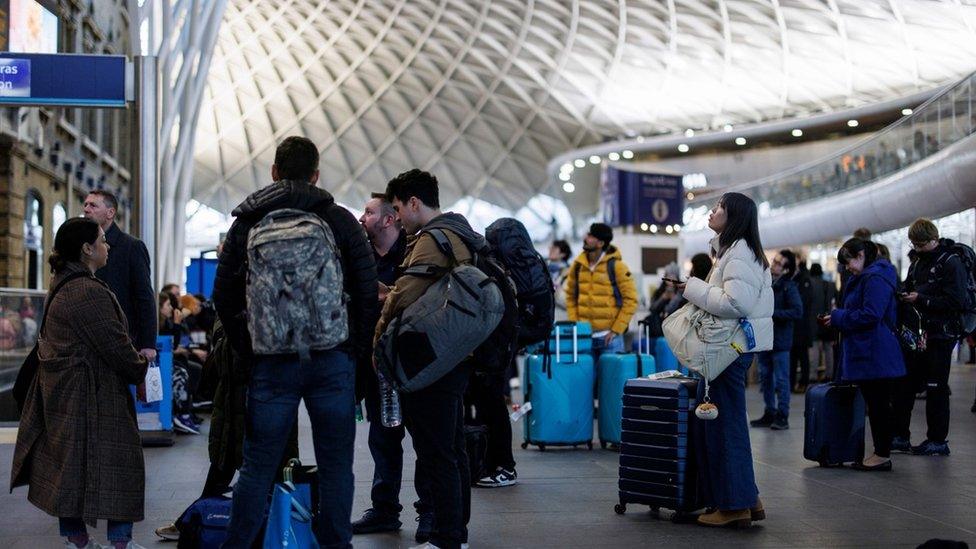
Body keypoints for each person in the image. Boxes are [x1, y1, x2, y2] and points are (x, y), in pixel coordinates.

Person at [213, 136, 378, 548]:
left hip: (272, 361)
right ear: (316, 175)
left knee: (257, 467)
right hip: (331, 358)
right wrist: (353, 353)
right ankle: (336, 544)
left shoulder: (247, 222)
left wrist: (251, 350)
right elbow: (365, 288)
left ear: (273, 172)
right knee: (337, 465)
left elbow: (224, 294)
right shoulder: (338, 220)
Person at [11, 217, 149, 549]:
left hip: (68, 397)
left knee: (68, 470)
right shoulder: (86, 292)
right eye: (102, 240)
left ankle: (79, 542)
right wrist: (142, 367)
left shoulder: (63, 283)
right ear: (87, 249)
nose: (107, 246)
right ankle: (120, 543)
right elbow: (117, 348)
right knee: (122, 465)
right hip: (93, 399)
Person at [375, 168, 480, 549]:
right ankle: (456, 532)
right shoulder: (462, 233)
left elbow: (405, 297)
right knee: (451, 449)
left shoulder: (432, 240)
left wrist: (378, 338)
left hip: (433, 357)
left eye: (399, 207)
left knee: (436, 453)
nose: (397, 216)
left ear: (415, 203)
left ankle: (447, 536)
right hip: (458, 352)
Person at [674, 192, 773, 528]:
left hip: (727, 352)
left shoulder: (739, 252)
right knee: (725, 423)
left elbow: (736, 303)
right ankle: (748, 498)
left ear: (734, 217)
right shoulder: (735, 250)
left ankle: (734, 508)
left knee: (724, 426)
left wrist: (693, 287)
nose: (712, 211)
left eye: (719, 208)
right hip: (732, 349)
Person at [351, 193, 434, 538]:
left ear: (388, 219)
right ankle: (385, 509)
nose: (361, 217)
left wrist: (393, 294)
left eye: (369, 212)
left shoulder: (416, 252)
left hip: (414, 363)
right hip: (375, 364)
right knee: (382, 439)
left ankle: (429, 512)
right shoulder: (358, 257)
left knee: (426, 439)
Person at [823, 238, 905, 471]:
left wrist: (839, 317)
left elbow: (871, 314)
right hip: (870, 349)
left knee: (879, 404)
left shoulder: (875, 278)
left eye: (848, 261)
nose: (846, 267)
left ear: (861, 255)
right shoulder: (868, 276)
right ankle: (880, 452)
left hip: (875, 351)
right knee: (876, 403)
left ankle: (882, 454)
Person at [892, 219, 968, 456]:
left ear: (934, 239)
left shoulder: (951, 262)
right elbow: (909, 284)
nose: (917, 247)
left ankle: (937, 440)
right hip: (918, 334)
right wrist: (904, 293)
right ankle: (900, 436)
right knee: (905, 385)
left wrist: (921, 299)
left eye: (921, 244)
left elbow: (957, 301)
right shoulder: (916, 262)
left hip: (941, 335)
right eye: (914, 244)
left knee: (936, 387)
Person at [84, 190, 158, 365]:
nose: (87, 209)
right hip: (88, 340)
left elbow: (144, 296)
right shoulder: (83, 245)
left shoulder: (131, 247)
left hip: (122, 340)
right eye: (85, 204)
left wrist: (148, 343)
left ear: (110, 213)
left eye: (93, 205)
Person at [565, 222, 638, 363]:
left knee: (610, 382)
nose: (586, 238)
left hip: (610, 339)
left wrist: (616, 330)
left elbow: (631, 300)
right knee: (586, 382)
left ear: (600, 243)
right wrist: (577, 325)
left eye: (591, 236)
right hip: (584, 337)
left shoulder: (617, 266)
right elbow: (570, 295)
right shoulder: (578, 265)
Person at [751, 250, 802, 431]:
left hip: (780, 341)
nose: (774, 264)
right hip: (766, 339)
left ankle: (782, 416)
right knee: (765, 379)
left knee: (781, 380)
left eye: (779, 263)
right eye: (775, 261)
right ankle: (770, 412)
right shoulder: (766, 283)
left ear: (787, 270)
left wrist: (772, 314)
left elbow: (797, 311)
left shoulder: (789, 287)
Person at [807, 264, 837, 381]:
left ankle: (813, 375)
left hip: (813, 321)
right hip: (828, 319)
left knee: (814, 349)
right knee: (828, 349)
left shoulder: (810, 284)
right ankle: (829, 374)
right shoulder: (831, 285)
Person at [790, 259, 814, 393]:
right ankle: (794, 382)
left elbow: (803, 302)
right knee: (796, 356)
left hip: (801, 326)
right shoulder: (798, 279)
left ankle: (802, 382)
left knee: (801, 356)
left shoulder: (803, 280)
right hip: (799, 326)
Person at [548, 240, 572, 316]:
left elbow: (568, 299)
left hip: (563, 316)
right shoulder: (544, 270)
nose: (550, 250)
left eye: (554, 248)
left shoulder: (569, 273)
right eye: (550, 247)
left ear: (563, 254)